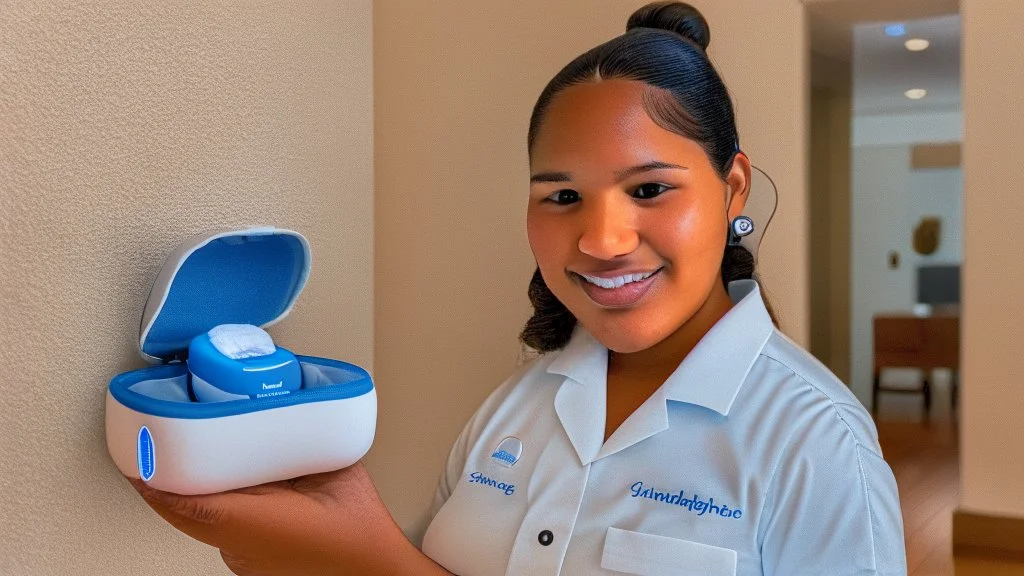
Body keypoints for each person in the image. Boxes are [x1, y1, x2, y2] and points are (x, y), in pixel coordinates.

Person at [129, 2, 907, 574]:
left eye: (649, 190)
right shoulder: (519, 405)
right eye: (561, 196)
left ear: (732, 187)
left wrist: (373, 564)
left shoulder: (815, 444)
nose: (601, 241)